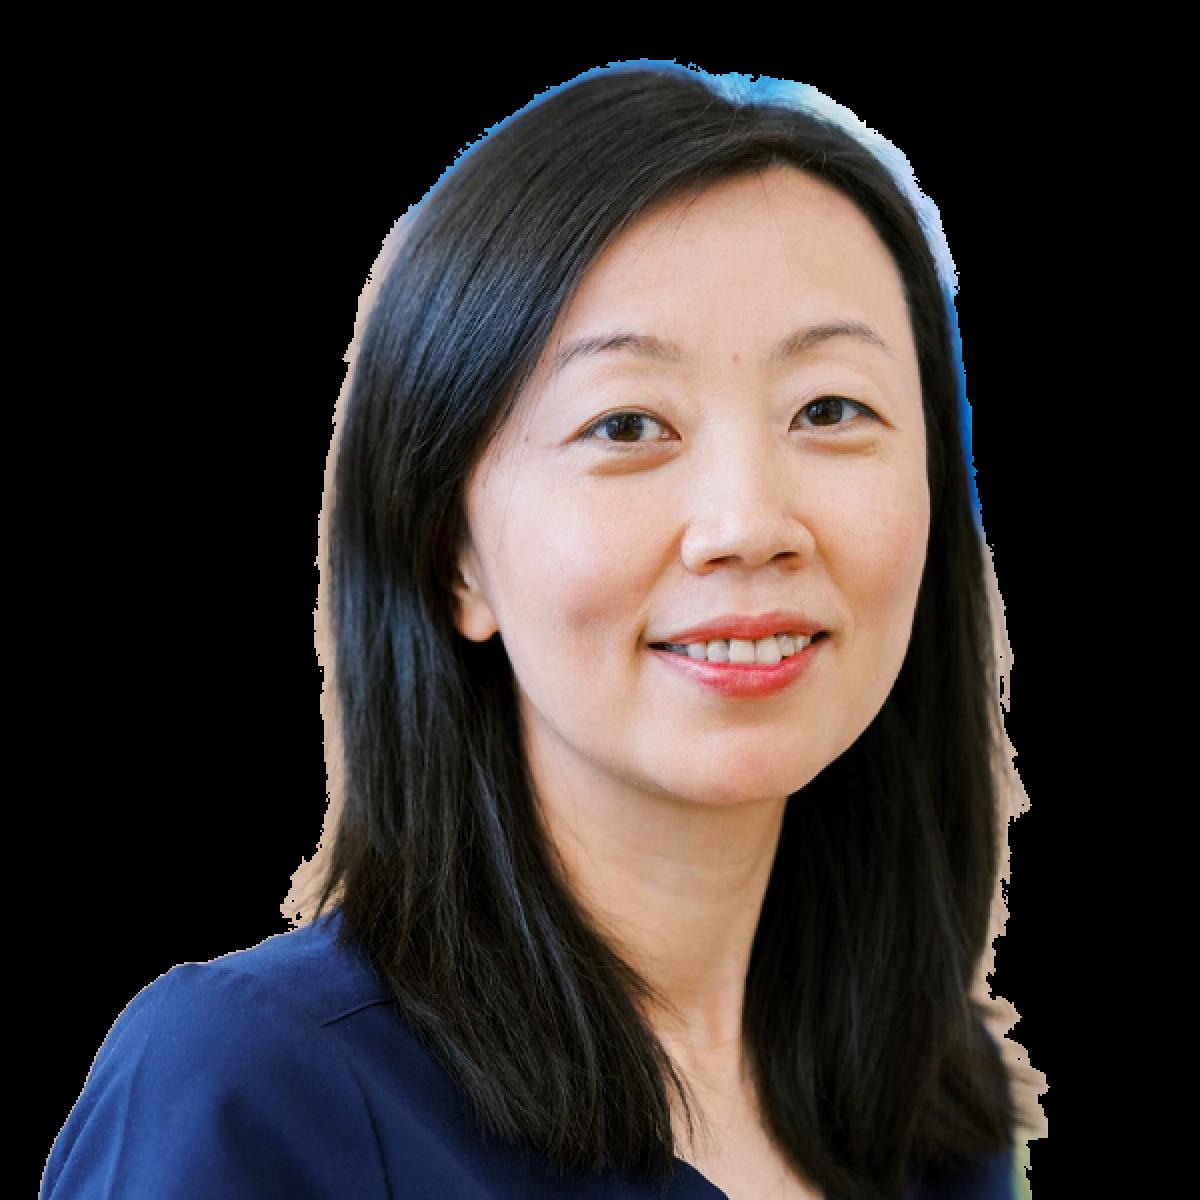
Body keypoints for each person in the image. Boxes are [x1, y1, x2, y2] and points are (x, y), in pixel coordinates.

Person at [42, 63, 1037, 1199]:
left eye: (830, 409)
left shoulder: (934, 1107)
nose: (749, 525)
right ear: (452, 556)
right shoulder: (258, 1095)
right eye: (627, 424)